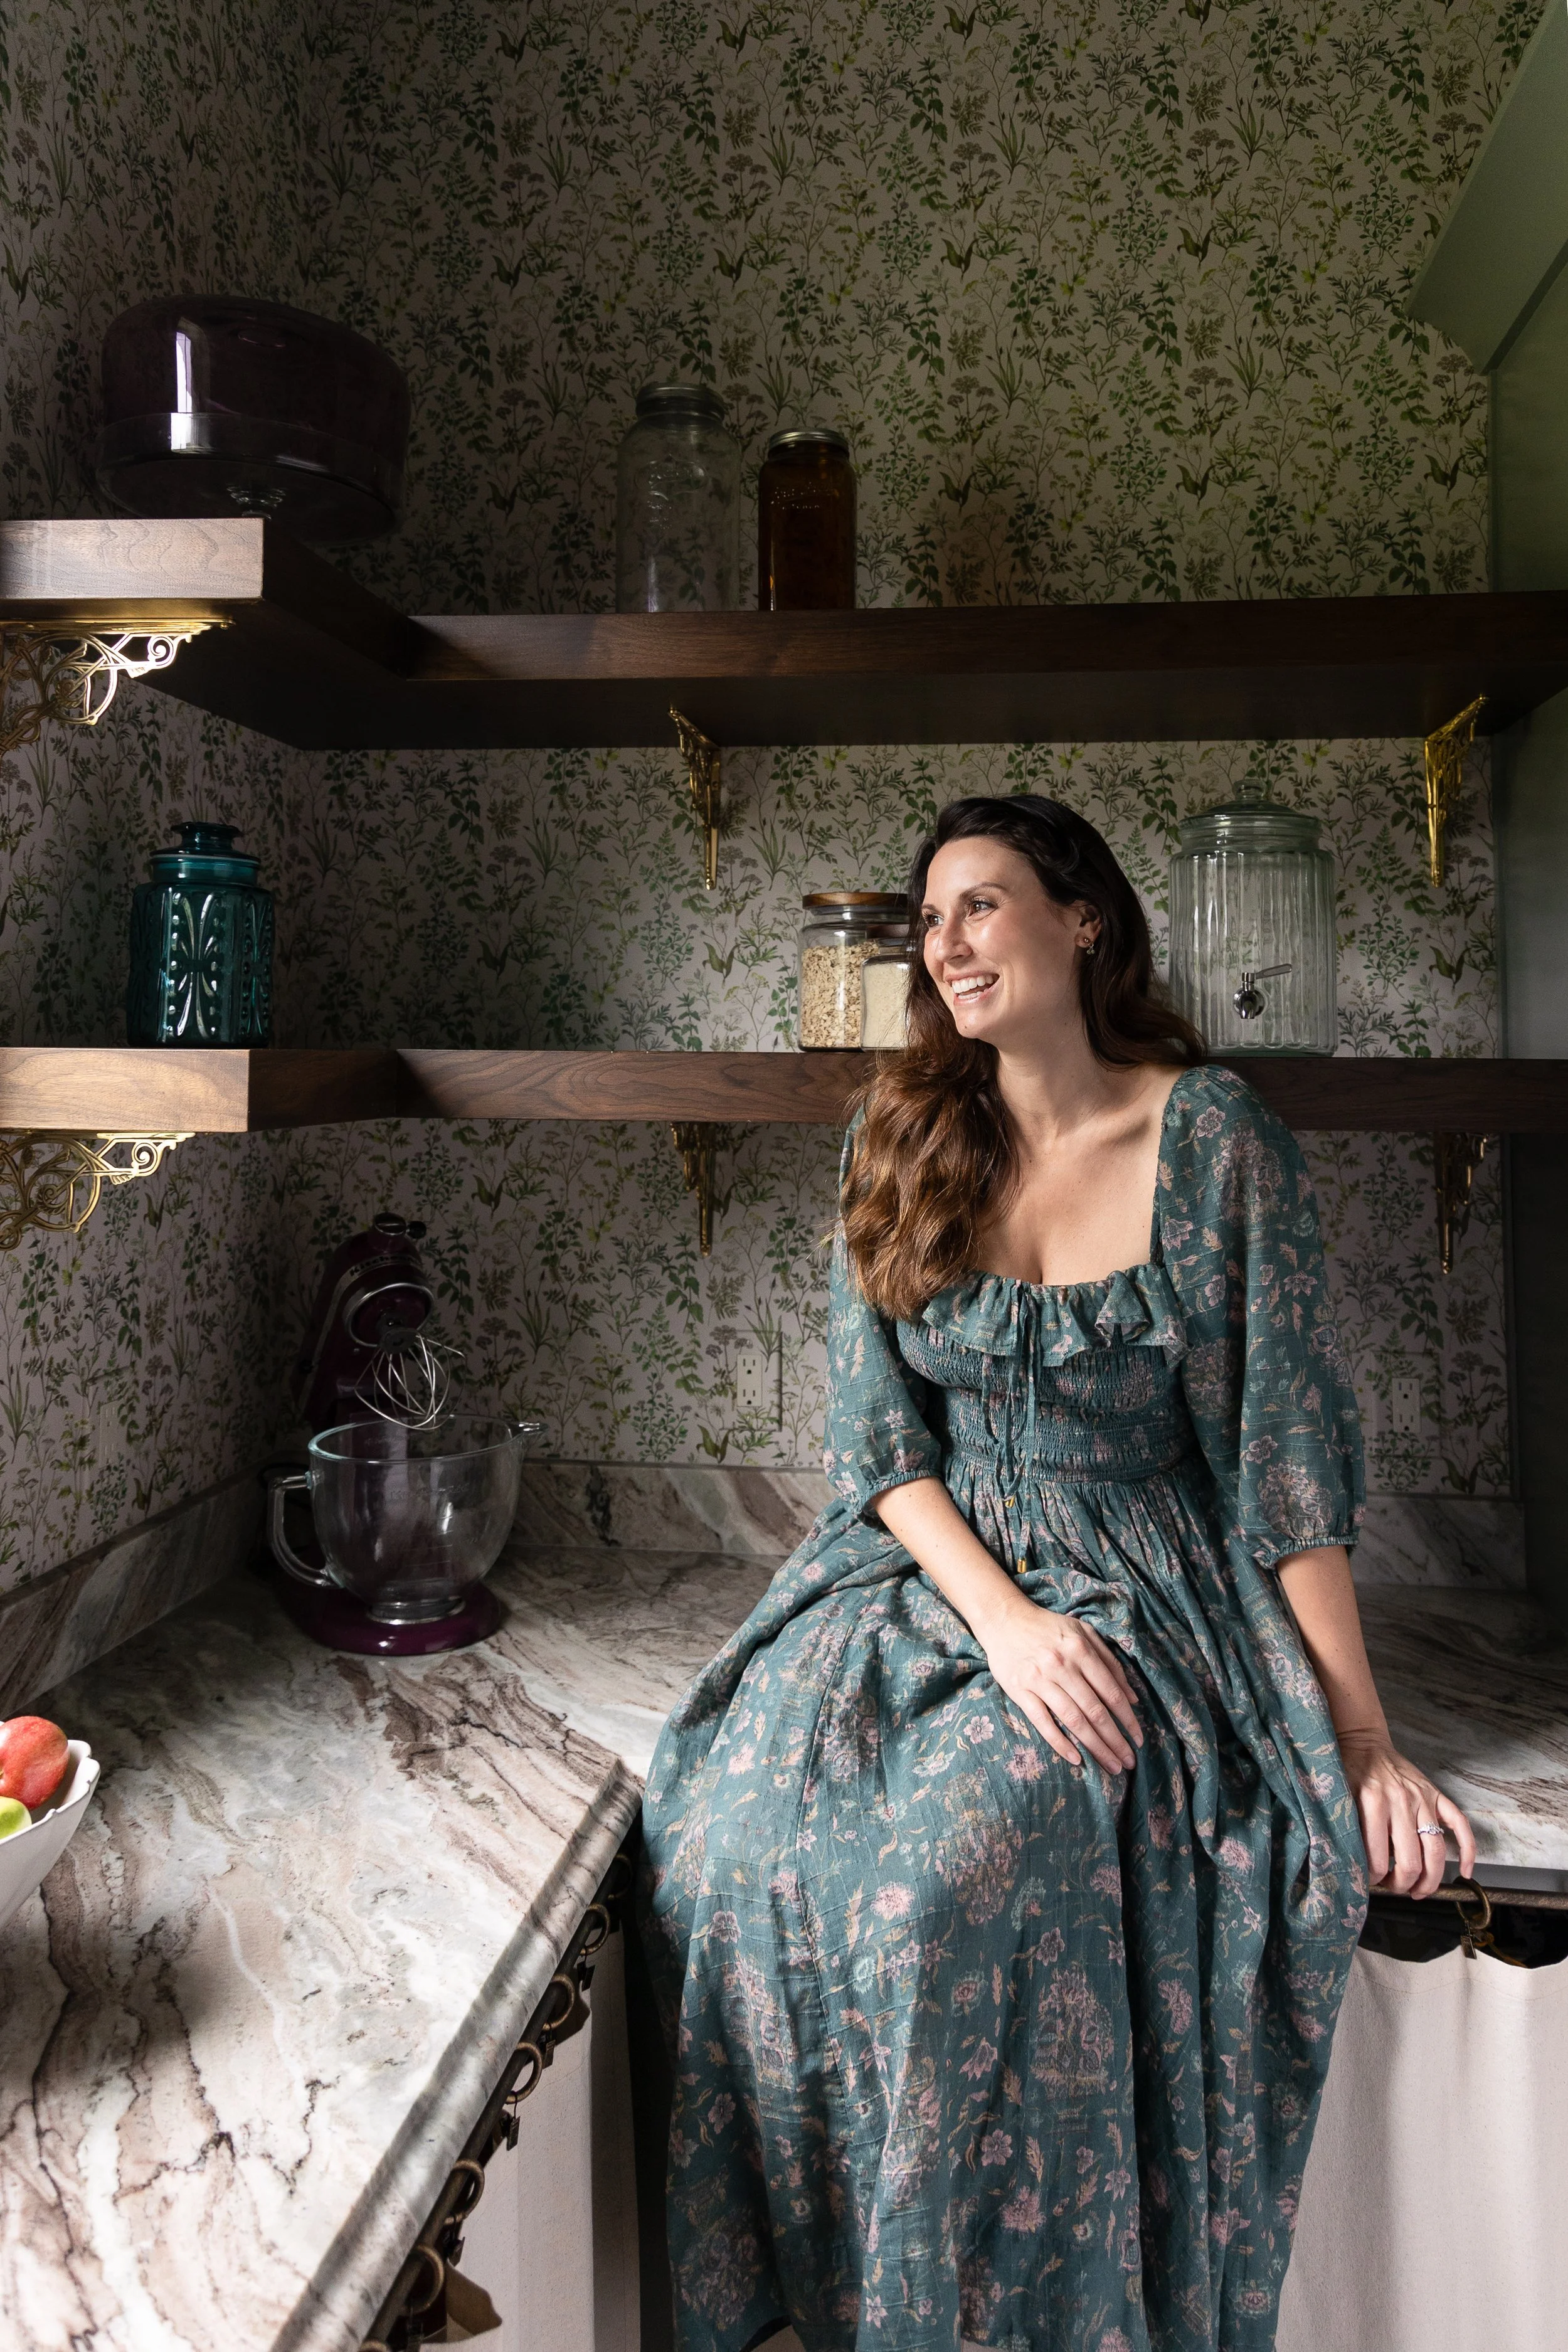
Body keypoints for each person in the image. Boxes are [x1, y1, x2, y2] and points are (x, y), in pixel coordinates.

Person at [640, 793, 1475, 2352]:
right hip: (929, 1575)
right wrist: (1006, 1620)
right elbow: (877, 1452)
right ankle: (805, 2308)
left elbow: (1281, 1465)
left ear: (1080, 920)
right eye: (930, 919)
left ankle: (967, 2314)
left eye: (980, 904)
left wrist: (1359, 1741)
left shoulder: (1210, 1135)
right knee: (728, 1837)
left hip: (1151, 1580)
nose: (946, 944)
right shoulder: (895, 1131)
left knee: (932, 1891)